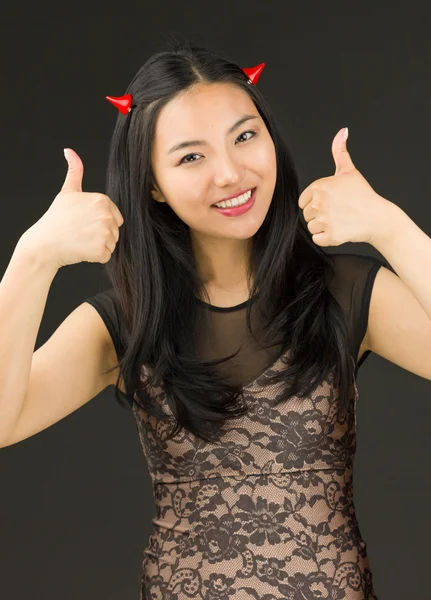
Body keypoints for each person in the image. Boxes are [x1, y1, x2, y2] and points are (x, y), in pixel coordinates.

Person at [0, 38, 385, 599]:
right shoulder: (129, 322)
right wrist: (32, 259)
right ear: (152, 182)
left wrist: (390, 226)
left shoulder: (342, 292)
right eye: (191, 156)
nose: (230, 173)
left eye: (245, 136)